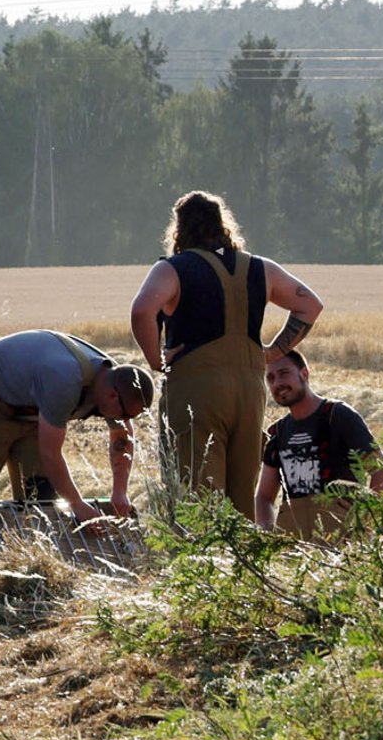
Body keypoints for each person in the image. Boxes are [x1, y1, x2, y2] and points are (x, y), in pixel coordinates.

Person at [130, 190, 324, 517]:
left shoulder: (172, 269)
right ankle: (241, 564)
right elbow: (310, 305)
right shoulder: (262, 269)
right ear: (223, 224)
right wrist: (272, 352)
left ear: (179, 229)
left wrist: (156, 361)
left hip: (196, 391)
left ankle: (202, 565)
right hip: (249, 393)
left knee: (196, 497)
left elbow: (141, 312)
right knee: (241, 498)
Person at [0, 330, 156, 585]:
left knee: (41, 499)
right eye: (124, 414)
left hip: (32, 411)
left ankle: (29, 585)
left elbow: (122, 439)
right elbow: (51, 454)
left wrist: (120, 492)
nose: (123, 421)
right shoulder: (64, 379)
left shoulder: (114, 380)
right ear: (112, 395)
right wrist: (78, 505)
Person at [255, 349, 383, 542]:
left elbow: (381, 474)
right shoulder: (277, 432)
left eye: (284, 373)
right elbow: (264, 497)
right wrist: (268, 538)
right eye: (270, 378)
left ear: (304, 374)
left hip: (341, 545)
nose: (277, 383)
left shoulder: (339, 416)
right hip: (295, 548)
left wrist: (364, 527)